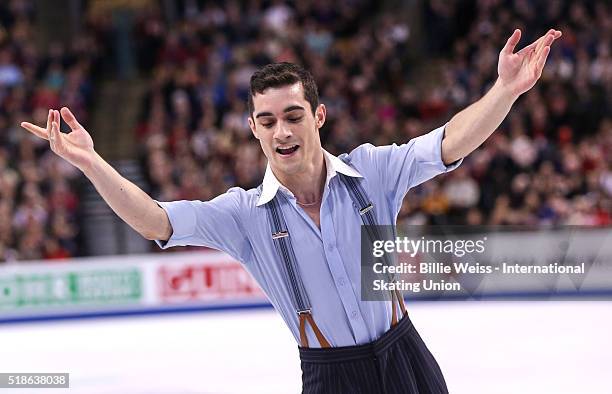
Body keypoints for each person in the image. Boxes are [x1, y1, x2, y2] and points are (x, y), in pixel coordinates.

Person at [21, 28, 561, 394]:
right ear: (254, 128)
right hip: (330, 374)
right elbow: (155, 220)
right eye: (268, 119)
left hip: (405, 358)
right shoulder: (243, 216)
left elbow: (447, 143)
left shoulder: (372, 172)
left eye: (294, 115)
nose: (283, 130)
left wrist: (505, 91)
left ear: (318, 116)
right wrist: (92, 163)